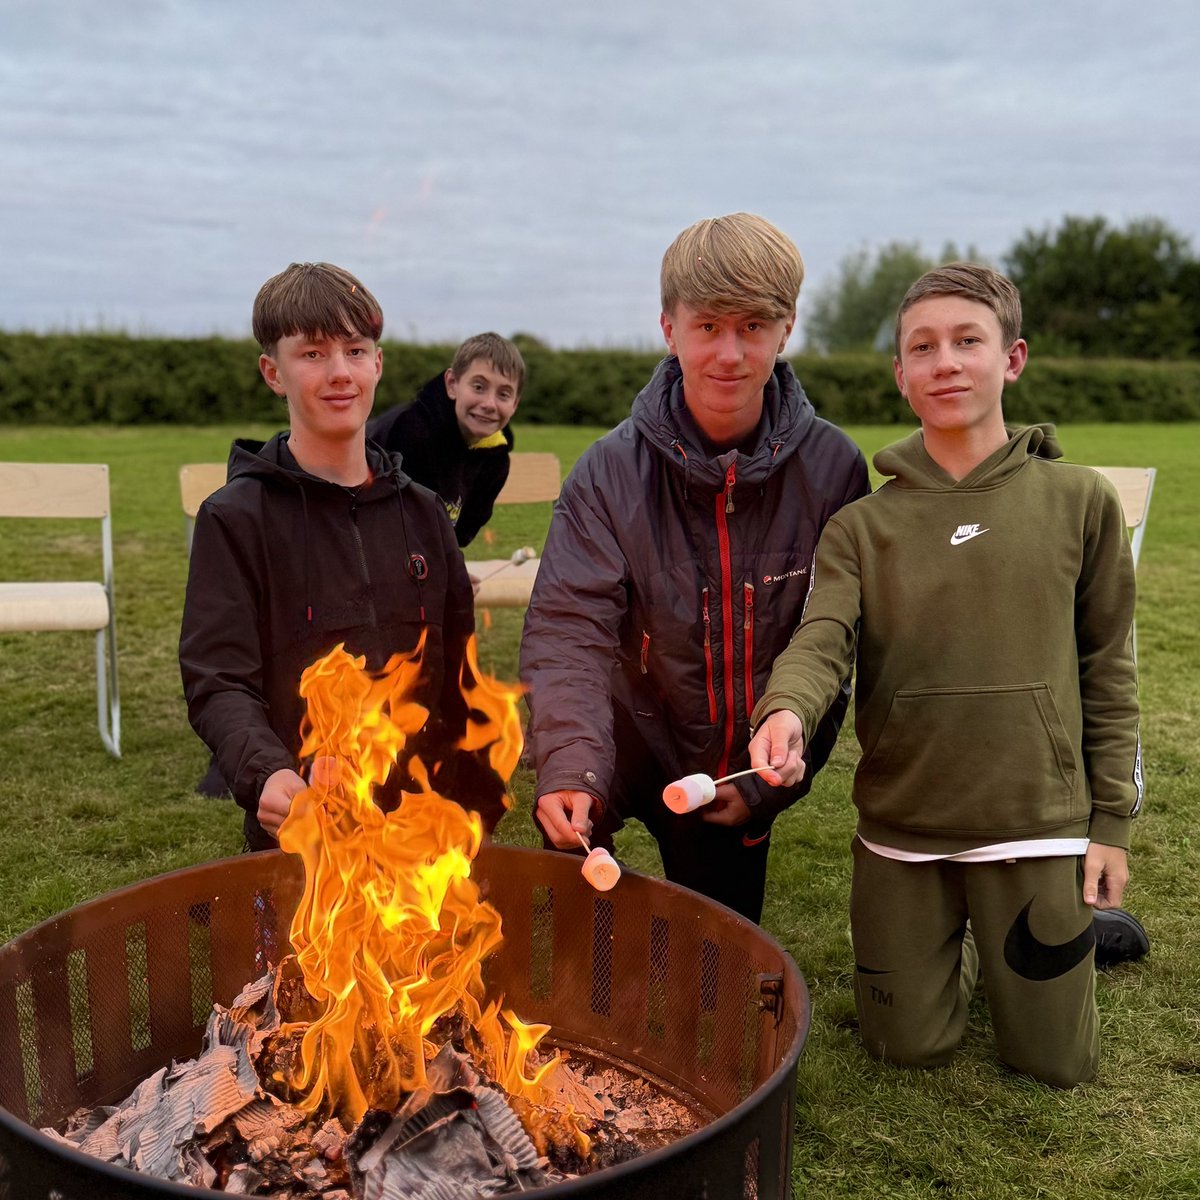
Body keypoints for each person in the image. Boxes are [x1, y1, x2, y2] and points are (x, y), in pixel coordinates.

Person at [748, 262, 1146, 1087]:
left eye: (969, 341)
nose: (946, 363)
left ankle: (1073, 933)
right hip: (906, 830)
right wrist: (784, 709)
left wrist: (1111, 826)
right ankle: (954, 943)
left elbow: (1111, 671)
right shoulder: (862, 526)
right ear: (901, 375)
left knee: (1054, 1064)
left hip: (1036, 822)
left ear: (1013, 358)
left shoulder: (1081, 502)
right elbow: (822, 635)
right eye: (922, 348)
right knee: (906, 1048)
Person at [519, 213, 870, 922]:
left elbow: (833, 641)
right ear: (669, 328)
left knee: (718, 971)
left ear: (787, 329)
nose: (730, 353)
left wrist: (770, 785)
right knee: (572, 876)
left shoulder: (835, 469)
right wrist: (569, 764)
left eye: (752, 327)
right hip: (623, 733)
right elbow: (568, 629)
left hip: (738, 760)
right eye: (708, 326)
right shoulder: (606, 472)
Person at [180, 262, 505, 851]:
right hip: (309, 838)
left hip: (422, 835)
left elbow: (460, 673)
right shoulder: (235, 519)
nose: (339, 374)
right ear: (272, 372)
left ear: (377, 363)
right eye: (312, 354)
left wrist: (469, 794)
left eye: (355, 350)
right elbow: (218, 680)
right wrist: (266, 772)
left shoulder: (426, 515)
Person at [367, 332, 525, 547]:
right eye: (478, 387)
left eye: (504, 394)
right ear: (452, 384)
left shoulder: (495, 459)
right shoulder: (409, 432)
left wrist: (452, 572)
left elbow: (456, 538)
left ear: (515, 404)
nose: (490, 403)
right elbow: (385, 529)